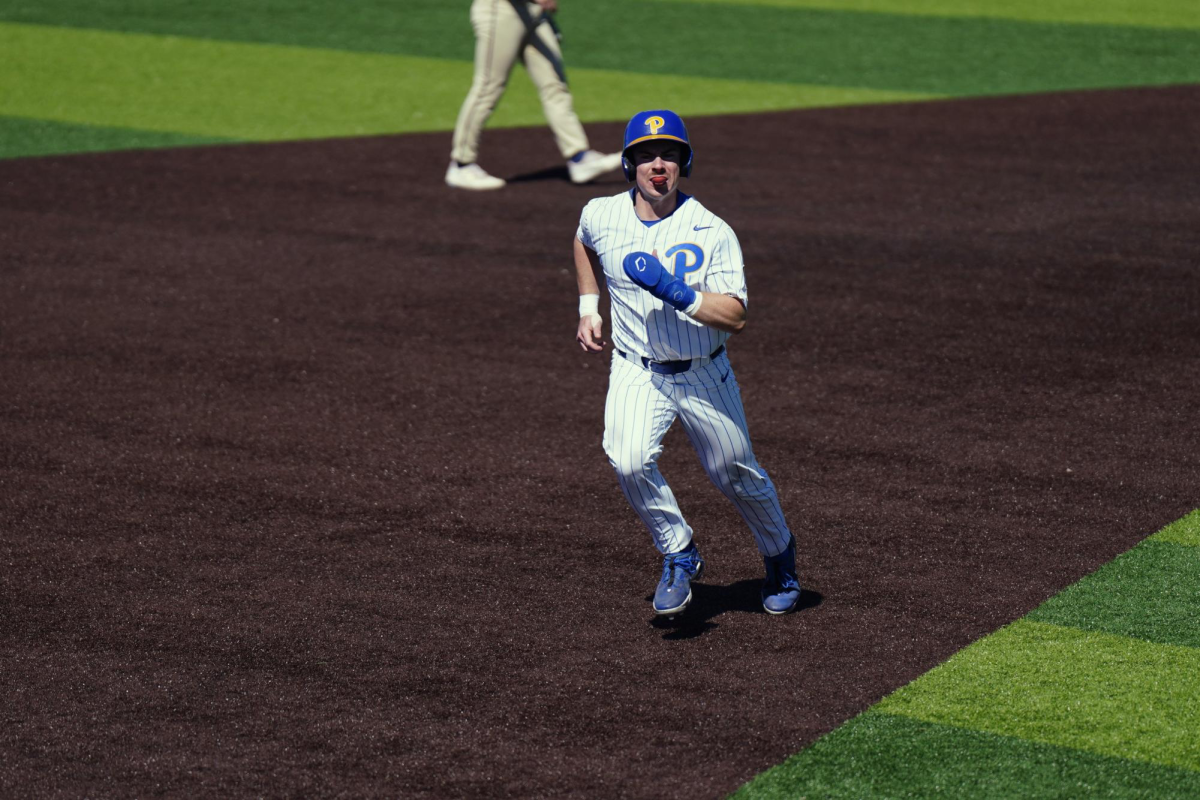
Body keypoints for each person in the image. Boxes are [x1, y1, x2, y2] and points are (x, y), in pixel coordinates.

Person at [572, 109, 802, 617]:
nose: (658, 165)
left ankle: (780, 557)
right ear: (629, 164)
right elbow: (583, 242)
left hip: (703, 370)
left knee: (735, 474)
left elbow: (736, 316)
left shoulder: (711, 231)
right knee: (628, 458)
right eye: (647, 156)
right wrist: (590, 307)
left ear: (684, 164)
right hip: (636, 367)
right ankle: (678, 551)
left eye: (670, 155)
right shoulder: (601, 214)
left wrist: (674, 290)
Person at [445, 0, 622, 191]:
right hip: (502, 9)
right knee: (488, 87)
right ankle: (461, 164)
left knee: (554, 85)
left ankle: (579, 157)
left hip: (534, 14)